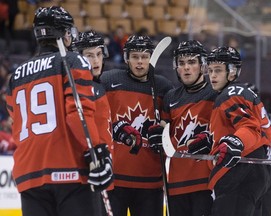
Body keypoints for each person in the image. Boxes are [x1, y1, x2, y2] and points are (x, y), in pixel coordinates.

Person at [5, 6, 113, 216]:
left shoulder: (16, 76)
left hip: (29, 174)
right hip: (69, 169)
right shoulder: (72, 61)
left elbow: (15, 118)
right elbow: (78, 115)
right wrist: (98, 152)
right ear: (64, 33)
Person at [101, 35, 173, 216]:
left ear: (151, 57)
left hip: (151, 182)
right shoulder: (108, 80)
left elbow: (173, 121)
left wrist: (165, 130)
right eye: (135, 57)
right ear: (126, 58)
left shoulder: (163, 86)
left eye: (144, 57)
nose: (140, 62)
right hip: (114, 180)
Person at [150, 40, 217, 215]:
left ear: (202, 65)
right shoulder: (171, 97)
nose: (186, 68)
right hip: (176, 183)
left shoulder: (216, 93)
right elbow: (165, 132)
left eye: (192, 62)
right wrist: (158, 136)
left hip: (206, 182)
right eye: (181, 63)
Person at [204, 46, 271, 216]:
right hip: (255, 171)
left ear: (232, 72)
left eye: (218, 70)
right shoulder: (240, 92)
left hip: (239, 172)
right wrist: (207, 140)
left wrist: (236, 142)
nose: (212, 75)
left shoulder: (230, 93)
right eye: (210, 70)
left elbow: (249, 127)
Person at [72, 30, 114, 215]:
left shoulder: (98, 86)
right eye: (89, 55)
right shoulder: (79, 87)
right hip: (87, 174)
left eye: (99, 54)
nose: (96, 61)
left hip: (102, 172)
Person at [244, 83, 271, 216]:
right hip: (245, 168)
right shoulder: (238, 115)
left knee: (262, 208)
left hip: (261, 168)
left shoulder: (264, 117)